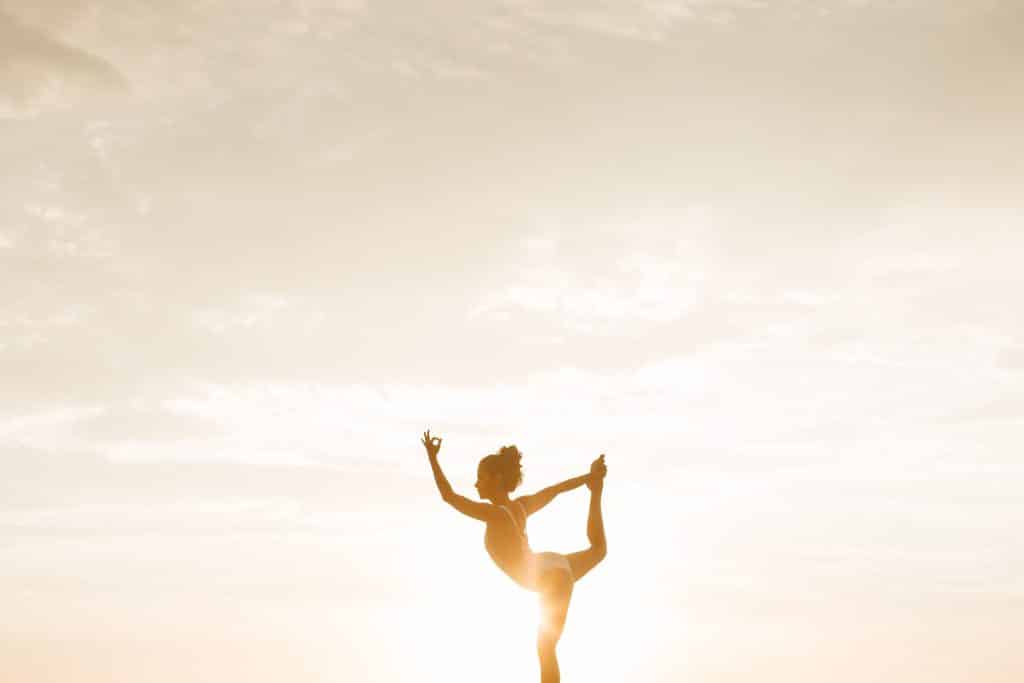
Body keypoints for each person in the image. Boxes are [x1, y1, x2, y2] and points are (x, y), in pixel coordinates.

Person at [421, 429, 607, 683]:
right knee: (598, 551)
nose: (476, 484)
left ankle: (596, 488)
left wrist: (432, 457)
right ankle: (597, 491)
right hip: (551, 564)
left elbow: (449, 496)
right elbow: (556, 489)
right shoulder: (521, 506)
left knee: (545, 647)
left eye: (480, 478)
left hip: (549, 574)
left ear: (496, 478)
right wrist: (591, 477)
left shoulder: (495, 514)